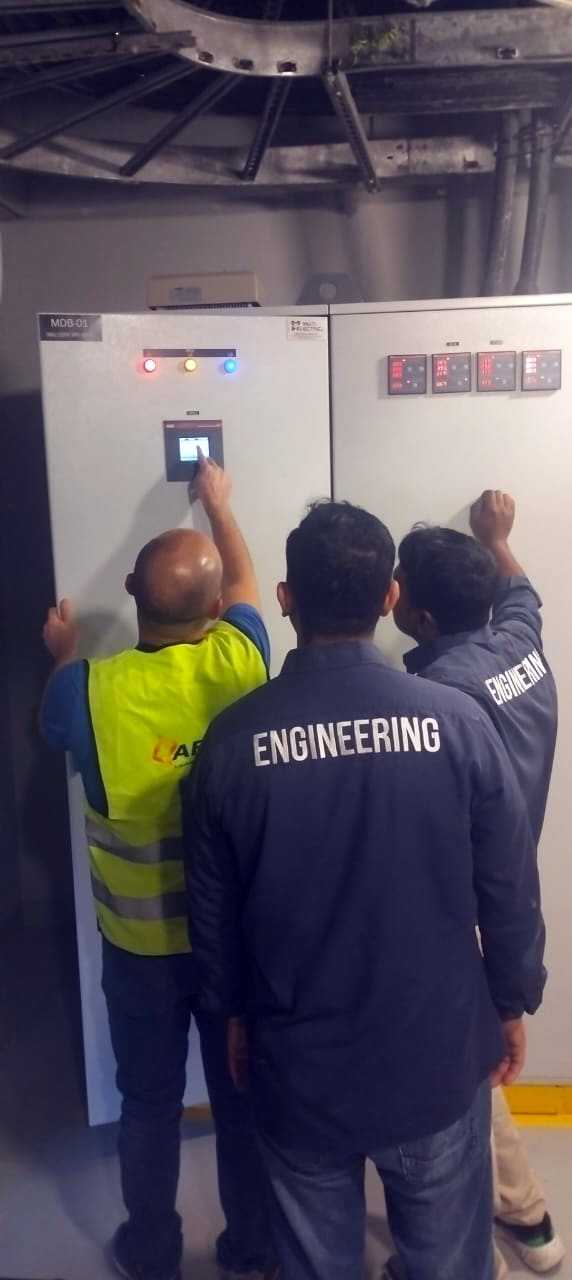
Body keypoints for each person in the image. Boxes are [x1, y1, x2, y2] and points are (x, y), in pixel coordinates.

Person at [182, 499, 546, 1280]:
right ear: (389, 597)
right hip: (436, 1055)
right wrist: (512, 1000)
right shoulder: (457, 723)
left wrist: (231, 1015)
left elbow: (212, 914)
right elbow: (509, 886)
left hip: (298, 1067)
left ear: (286, 599)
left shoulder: (231, 744)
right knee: (447, 1263)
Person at [40, 457, 275, 1280]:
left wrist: (63, 649)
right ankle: (251, 1252)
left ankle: (151, 1250)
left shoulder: (84, 691)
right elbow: (244, 581)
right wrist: (218, 506)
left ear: (131, 596)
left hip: (141, 954)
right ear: (214, 613)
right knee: (240, 1101)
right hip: (232, 947)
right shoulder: (242, 660)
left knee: (147, 1103)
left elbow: (55, 718)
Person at [392, 489, 562, 1279]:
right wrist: (497, 538)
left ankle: (474, 1252)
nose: (391, 591)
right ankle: (526, 1218)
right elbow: (523, 592)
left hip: (467, 905)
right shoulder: (519, 638)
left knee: (456, 1083)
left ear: (420, 620)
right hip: (505, 887)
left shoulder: (442, 703)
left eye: (400, 585)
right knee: (472, 1075)